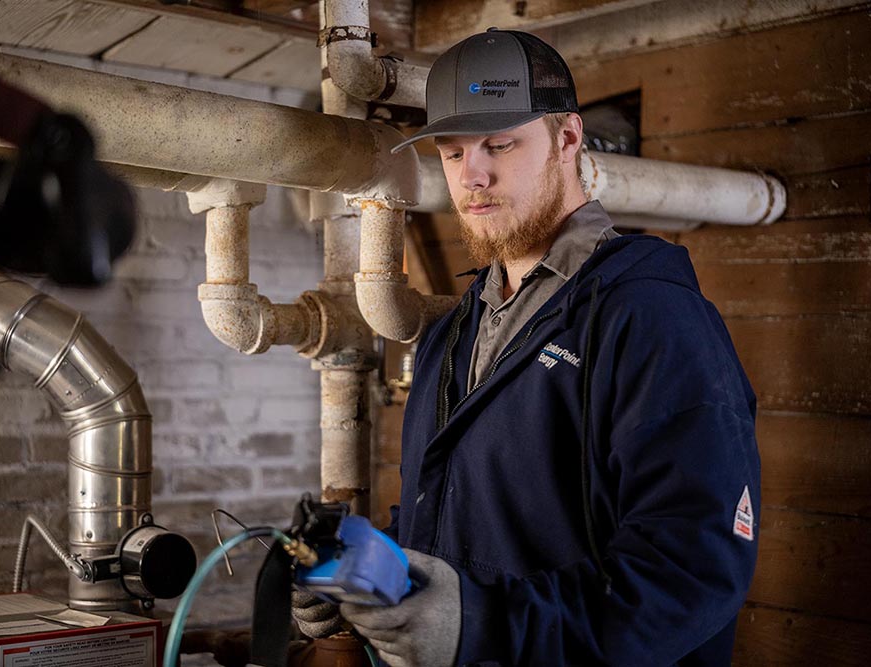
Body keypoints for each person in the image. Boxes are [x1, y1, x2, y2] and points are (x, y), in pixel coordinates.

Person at [293, 28, 760, 666]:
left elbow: (690, 573)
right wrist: (367, 576)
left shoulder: (648, 317)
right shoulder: (456, 330)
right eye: (453, 154)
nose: (472, 176)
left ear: (568, 139)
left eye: (499, 144)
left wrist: (478, 624)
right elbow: (456, 522)